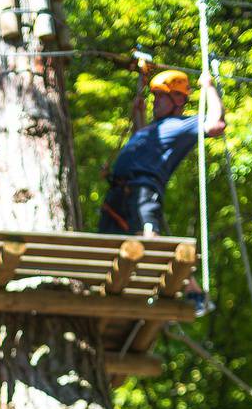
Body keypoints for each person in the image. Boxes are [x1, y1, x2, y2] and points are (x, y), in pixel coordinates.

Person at [95, 66, 225, 310]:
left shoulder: (182, 125)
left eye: (161, 97)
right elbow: (142, 145)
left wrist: (208, 88)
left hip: (142, 190)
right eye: (155, 97)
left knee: (149, 240)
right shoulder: (150, 130)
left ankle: (194, 293)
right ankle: (118, 294)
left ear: (177, 100)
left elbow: (216, 124)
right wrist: (139, 115)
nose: (156, 102)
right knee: (108, 246)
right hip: (118, 195)